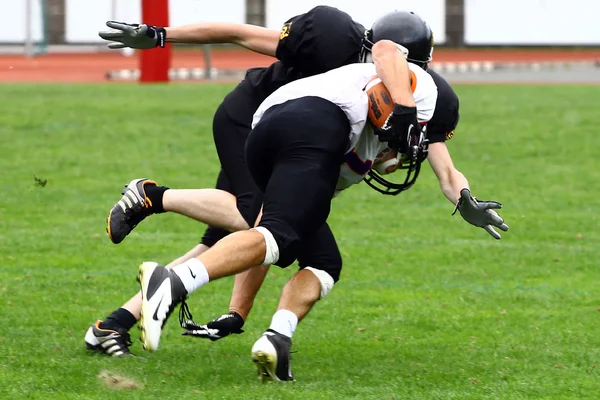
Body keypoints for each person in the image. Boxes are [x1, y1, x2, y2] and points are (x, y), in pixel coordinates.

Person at [86, 9, 508, 375]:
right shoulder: (348, 47)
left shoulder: (376, 130)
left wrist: (238, 311)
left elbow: (446, 168)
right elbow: (242, 33)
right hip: (256, 115)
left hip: (296, 136)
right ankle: (153, 199)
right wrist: (162, 35)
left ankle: (116, 322)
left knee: (263, 236)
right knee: (262, 222)